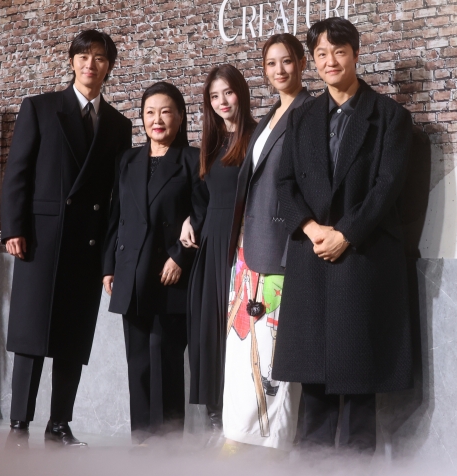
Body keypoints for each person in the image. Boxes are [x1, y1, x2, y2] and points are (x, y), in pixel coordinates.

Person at [274, 17, 414, 454]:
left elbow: (386, 187)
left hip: (362, 255)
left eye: (339, 51)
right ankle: (311, 460)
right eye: (321, 53)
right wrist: (315, 229)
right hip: (312, 254)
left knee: (357, 373)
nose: (330, 60)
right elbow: (284, 183)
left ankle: (356, 463)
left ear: (355, 53)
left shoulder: (389, 116)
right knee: (313, 375)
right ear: (312, 61)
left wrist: (346, 234)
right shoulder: (302, 118)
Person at [0, 29, 132, 447]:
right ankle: (19, 420)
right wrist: (13, 227)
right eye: (83, 56)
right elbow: (17, 171)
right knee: (31, 335)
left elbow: (116, 196)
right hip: (40, 238)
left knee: (72, 339)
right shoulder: (40, 108)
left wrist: (109, 257)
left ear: (109, 66)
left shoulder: (118, 125)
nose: (90, 64)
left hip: (87, 242)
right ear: (71, 62)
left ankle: (60, 422)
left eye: (99, 58)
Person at [219, 34, 312, 452]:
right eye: (271, 63)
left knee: (273, 354)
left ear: (302, 64)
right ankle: (237, 435)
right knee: (242, 351)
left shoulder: (310, 111)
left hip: (282, 247)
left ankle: (271, 441)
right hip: (248, 250)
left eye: (287, 62)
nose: (279, 70)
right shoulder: (271, 114)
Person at [102, 82, 204, 443]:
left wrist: (180, 256)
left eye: (165, 111)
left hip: (170, 276)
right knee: (139, 365)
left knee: (166, 362)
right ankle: (141, 443)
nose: (156, 119)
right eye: (149, 112)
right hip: (131, 272)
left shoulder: (193, 160)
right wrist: (109, 266)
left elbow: (202, 215)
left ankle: (168, 449)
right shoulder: (127, 161)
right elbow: (116, 217)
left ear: (179, 116)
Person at [182, 65, 256, 443]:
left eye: (228, 93)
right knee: (209, 330)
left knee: (240, 332)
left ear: (240, 93)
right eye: (214, 96)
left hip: (244, 243)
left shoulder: (259, 136)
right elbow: (202, 198)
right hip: (211, 243)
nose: (222, 102)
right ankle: (216, 416)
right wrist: (189, 220)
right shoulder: (208, 145)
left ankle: (242, 418)